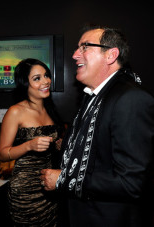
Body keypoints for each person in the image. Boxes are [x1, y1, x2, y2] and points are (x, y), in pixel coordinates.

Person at [40, 25, 154, 227]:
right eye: (77, 48)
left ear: (111, 55)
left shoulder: (130, 99)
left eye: (84, 47)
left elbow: (131, 184)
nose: (75, 55)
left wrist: (64, 180)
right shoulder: (95, 96)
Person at [0, 58, 64, 226]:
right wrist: (29, 145)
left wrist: (59, 145)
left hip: (49, 187)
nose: (46, 81)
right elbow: (3, 154)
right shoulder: (15, 112)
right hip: (25, 191)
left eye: (46, 75)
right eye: (37, 78)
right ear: (24, 84)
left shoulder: (50, 109)